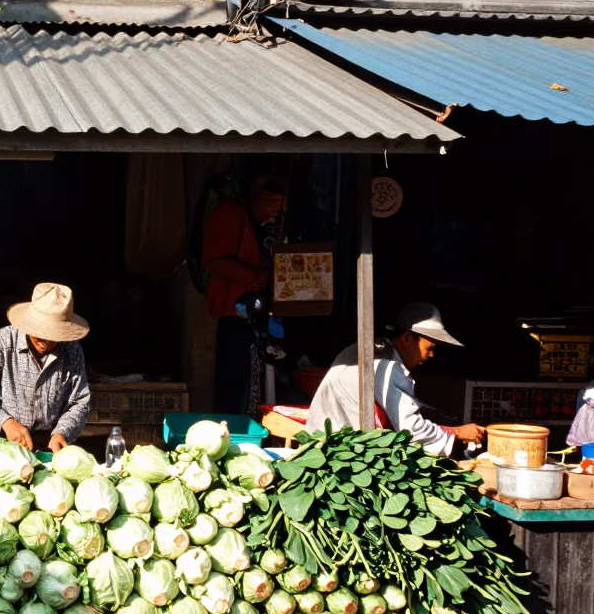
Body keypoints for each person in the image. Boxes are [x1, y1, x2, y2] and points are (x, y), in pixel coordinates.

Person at [307, 302, 486, 455]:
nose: (431, 355)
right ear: (407, 338)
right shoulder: (385, 365)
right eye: (429, 348)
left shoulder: (375, 349)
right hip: (339, 451)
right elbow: (411, 429)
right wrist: (457, 432)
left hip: (333, 441)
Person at [0, 283, 92, 454]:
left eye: (53, 336)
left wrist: (62, 432)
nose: (46, 341)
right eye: (40, 333)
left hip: (48, 443)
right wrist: (5, 422)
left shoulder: (72, 350)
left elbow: (79, 401)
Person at [203, 174, 286, 414]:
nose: (273, 211)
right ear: (253, 195)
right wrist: (258, 277)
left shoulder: (266, 224)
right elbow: (215, 261)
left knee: (258, 383)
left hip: (261, 317)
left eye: (278, 206)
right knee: (232, 385)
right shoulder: (229, 215)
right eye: (270, 203)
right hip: (234, 314)